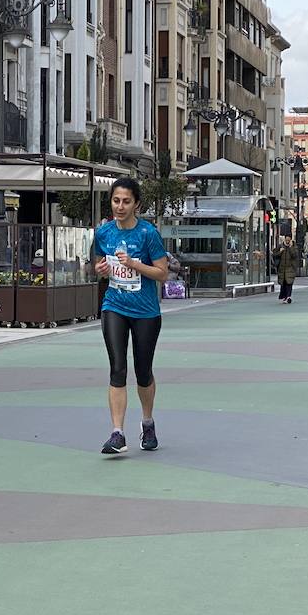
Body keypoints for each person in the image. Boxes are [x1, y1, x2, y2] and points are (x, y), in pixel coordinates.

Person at [91, 177, 170, 457]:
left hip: (146, 311)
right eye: (115, 200)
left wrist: (135, 264)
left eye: (126, 201)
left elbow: (162, 273)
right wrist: (100, 270)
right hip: (114, 306)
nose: (120, 206)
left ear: (136, 204)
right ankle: (117, 433)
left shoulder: (148, 234)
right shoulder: (104, 233)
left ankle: (147, 423)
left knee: (143, 371)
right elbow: (97, 265)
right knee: (117, 368)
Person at [274, 235, 300, 304]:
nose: (287, 242)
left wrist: (291, 247)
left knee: (289, 283)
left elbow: (295, 255)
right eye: (286, 240)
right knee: (283, 284)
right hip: (282, 269)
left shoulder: (294, 247)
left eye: (289, 240)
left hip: (290, 268)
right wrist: (280, 252)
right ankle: (285, 297)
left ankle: (288, 296)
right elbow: (275, 254)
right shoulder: (281, 246)